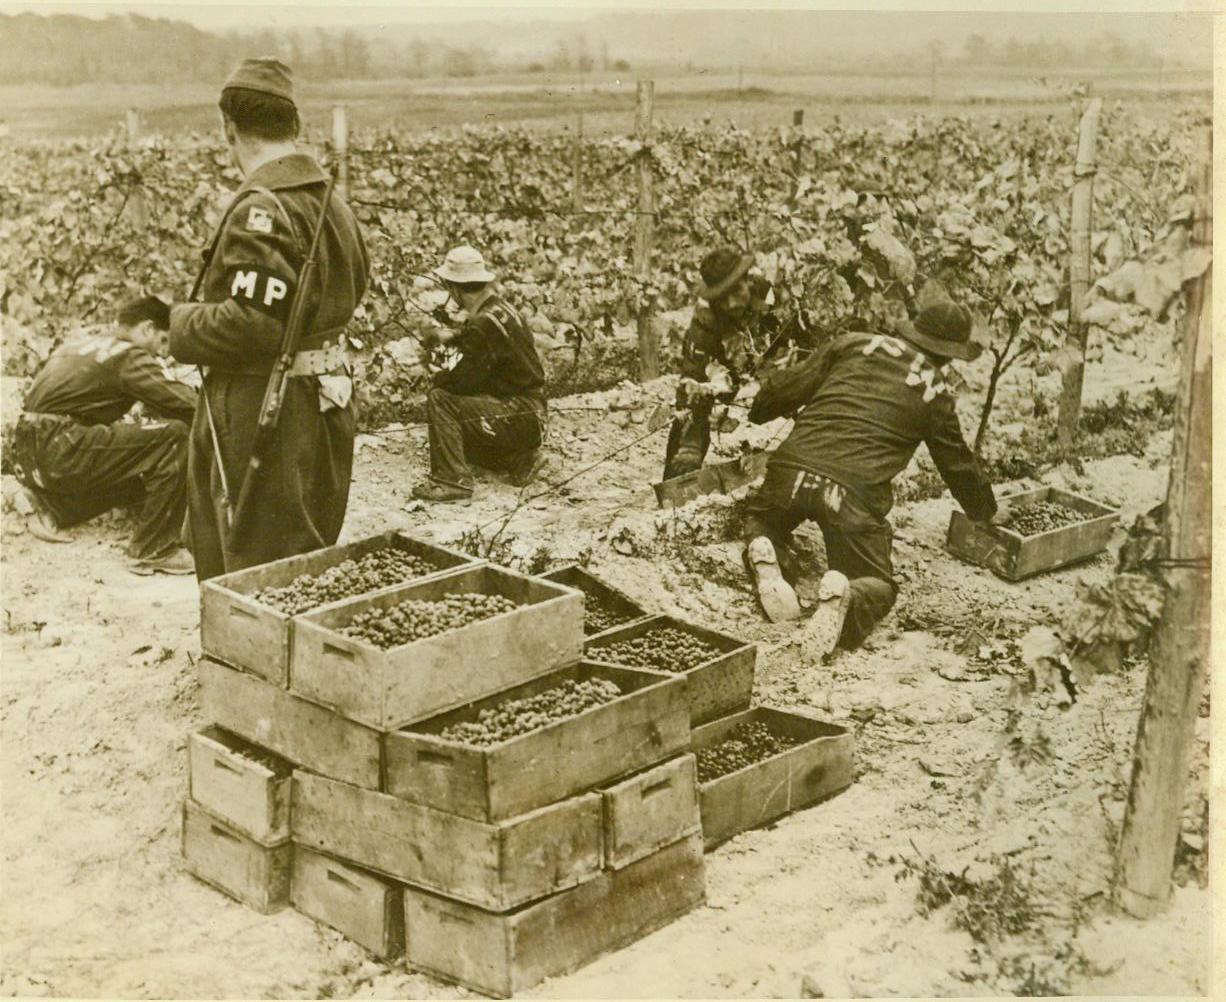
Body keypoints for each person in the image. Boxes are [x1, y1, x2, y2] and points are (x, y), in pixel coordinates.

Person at [138, 58, 369, 581]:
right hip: (328, 400)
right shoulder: (332, 201)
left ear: (230, 129)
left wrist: (177, 324)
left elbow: (252, 324)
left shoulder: (260, 207)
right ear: (294, 126)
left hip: (265, 407)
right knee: (305, 555)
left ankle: (248, 662)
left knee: (248, 558)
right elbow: (355, 287)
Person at [741, 300, 1010, 656]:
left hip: (789, 471)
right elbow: (957, 464)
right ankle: (847, 597)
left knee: (761, 519)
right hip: (851, 494)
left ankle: (768, 554)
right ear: (949, 355)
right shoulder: (937, 394)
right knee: (879, 584)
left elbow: (783, 388)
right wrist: (984, 511)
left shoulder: (852, 344)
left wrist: (759, 411)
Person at [11, 297, 197, 575]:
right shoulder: (128, 355)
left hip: (29, 452)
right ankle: (153, 549)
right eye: (162, 340)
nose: (163, 353)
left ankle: (51, 505)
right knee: (174, 438)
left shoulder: (80, 345)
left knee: (139, 464)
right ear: (146, 329)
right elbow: (182, 402)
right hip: (61, 447)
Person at [411, 246, 547, 503]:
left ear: (454, 288)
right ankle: (520, 460)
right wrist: (452, 337)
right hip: (533, 415)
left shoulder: (483, 325)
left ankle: (452, 480)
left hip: (518, 415)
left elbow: (462, 383)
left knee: (440, 399)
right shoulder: (502, 309)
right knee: (469, 427)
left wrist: (434, 369)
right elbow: (484, 345)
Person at [663, 245, 779, 482]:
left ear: (748, 280)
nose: (731, 304)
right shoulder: (705, 323)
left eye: (736, 291)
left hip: (775, 362)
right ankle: (676, 488)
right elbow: (694, 381)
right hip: (728, 370)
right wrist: (691, 445)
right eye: (721, 298)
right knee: (687, 431)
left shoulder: (774, 296)